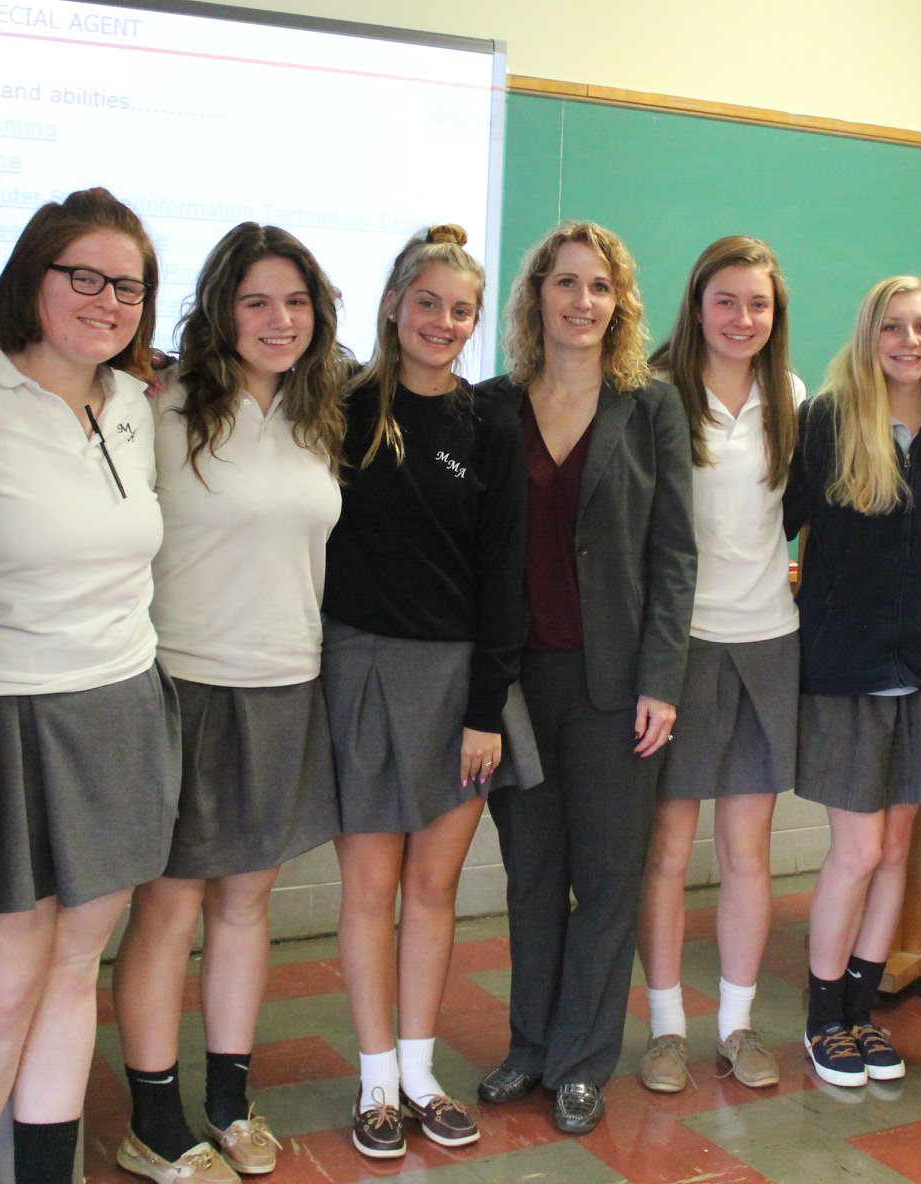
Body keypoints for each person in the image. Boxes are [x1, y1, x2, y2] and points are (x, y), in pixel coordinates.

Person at [0, 189, 189, 1184]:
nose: (108, 301)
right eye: (84, 277)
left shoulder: (132, 405)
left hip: (117, 710)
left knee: (77, 973)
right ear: (30, 278)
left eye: (129, 286)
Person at [108, 223, 348, 1179]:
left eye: (296, 302)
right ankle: (153, 1117)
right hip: (184, 683)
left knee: (247, 902)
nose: (279, 320)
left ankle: (229, 1102)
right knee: (168, 907)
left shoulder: (320, 413)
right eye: (256, 302)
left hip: (287, 682)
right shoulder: (160, 408)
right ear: (220, 310)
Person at [475, 221, 696, 1136]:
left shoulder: (651, 407)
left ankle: (580, 1061)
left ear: (620, 302)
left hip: (617, 688)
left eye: (599, 286)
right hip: (518, 687)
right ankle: (529, 1045)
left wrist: (662, 680)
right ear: (537, 296)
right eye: (565, 283)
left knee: (607, 878)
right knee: (532, 873)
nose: (582, 300)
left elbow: (674, 554)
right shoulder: (492, 406)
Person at [320, 224, 533, 1160]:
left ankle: (418, 1074)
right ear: (394, 305)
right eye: (428, 303)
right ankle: (374, 1084)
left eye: (461, 310)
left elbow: (505, 574)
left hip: (461, 688)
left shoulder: (490, 422)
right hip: (360, 671)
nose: (443, 322)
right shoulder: (339, 408)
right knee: (371, 889)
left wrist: (487, 710)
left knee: (433, 886)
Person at [784, 275, 921, 1089]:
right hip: (847, 671)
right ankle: (822, 1016)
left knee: (897, 848)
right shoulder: (828, 422)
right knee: (860, 849)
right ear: (869, 336)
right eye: (893, 327)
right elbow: (778, 522)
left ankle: (861, 1012)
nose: (909, 342)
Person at [636, 236, 802, 1094]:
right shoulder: (655, 392)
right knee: (667, 850)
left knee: (747, 850)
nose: (743, 318)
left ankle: (737, 1026)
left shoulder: (792, 397)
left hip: (768, 642)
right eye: (726, 301)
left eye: (758, 304)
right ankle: (667, 1030)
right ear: (697, 305)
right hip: (681, 646)